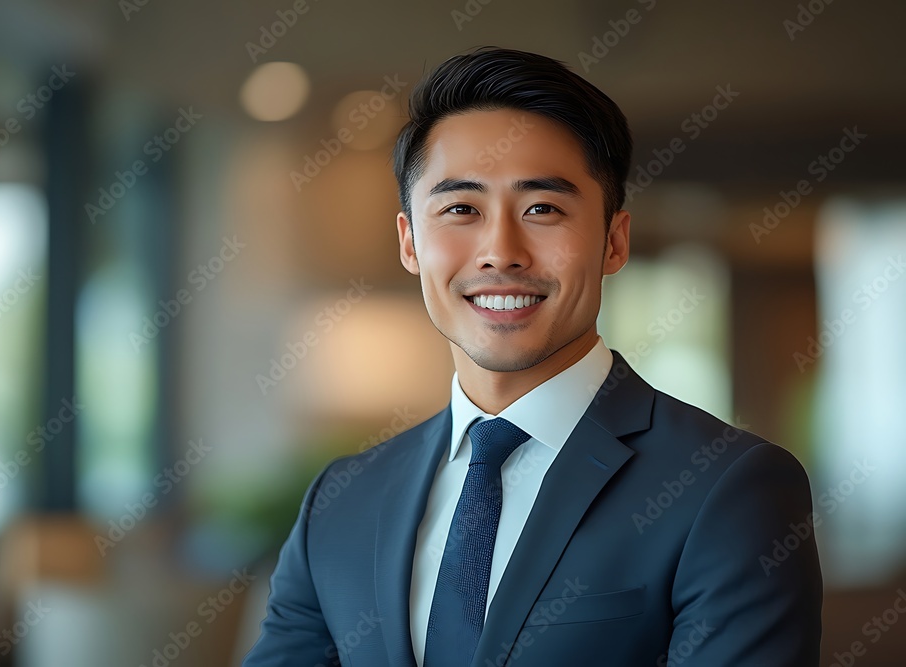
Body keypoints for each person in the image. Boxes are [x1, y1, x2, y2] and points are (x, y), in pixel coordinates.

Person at [243, 46, 822, 666]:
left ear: (614, 241)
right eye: (461, 209)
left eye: (542, 208)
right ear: (410, 242)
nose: (500, 251)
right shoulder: (342, 500)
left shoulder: (728, 487)